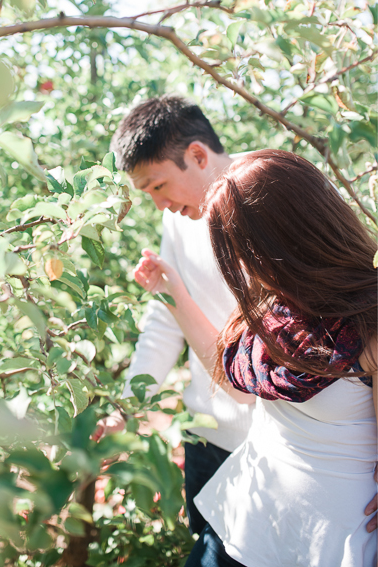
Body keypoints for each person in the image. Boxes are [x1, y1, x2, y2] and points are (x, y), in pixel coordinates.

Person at [134, 149, 377, 567]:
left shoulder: (369, 323)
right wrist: (172, 292)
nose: (241, 266)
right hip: (250, 517)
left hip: (332, 540)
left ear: (285, 238)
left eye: (239, 249)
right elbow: (237, 388)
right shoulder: (277, 312)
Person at [97, 95, 254, 537]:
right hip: (206, 435)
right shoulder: (180, 218)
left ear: (198, 156)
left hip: (274, 443)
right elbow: (167, 317)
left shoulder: (271, 197)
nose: (158, 204)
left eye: (158, 186)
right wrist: (128, 408)